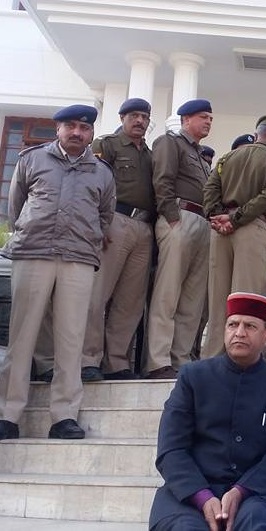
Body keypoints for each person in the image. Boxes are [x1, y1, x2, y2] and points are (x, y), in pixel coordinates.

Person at [0, 104, 116, 441]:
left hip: (78, 259)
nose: (77, 132)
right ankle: (8, 413)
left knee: (71, 339)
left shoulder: (102, 172)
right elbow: (16, 206)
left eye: (83, 127)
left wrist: (87, 239)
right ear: (58, 129)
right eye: (70, 126)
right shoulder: (31, 159)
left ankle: (64, 416)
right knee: (22, 337)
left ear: (91, 133)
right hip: (33, 253)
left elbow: (105, 216)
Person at [149, 292, 266, 531]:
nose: (239, 332)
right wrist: (201, 496)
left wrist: (241, 491)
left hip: (254, 493)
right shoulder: (193, 377)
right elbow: (171, 448)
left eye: (250, 326)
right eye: (233, 324)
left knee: (255, 524)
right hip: (190, 492)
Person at [80, 97, 155, 381]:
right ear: (123, 117)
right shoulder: (107, 144)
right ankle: (88, 359)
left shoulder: (149, 154)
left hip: (143, 226)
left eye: (145, 117)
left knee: (130, 301)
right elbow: (92, 185)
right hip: (115, 220)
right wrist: (98, 226)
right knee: (98, 295)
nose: (140, 121)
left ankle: (117, 363)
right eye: (134, 116)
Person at [202, 115, 266, 358]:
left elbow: (210, 188)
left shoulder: (228, 156)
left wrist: (217, 215)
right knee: (245, 297)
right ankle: (240, 356)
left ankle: (213, 356)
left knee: (218, 297)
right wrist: (237, 219)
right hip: (251, 229)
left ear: (257, 132)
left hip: (220, 230)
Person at [146, 98, 213, 379]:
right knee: (168, 292)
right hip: (180, 217)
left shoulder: (200, 154)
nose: (208, 122)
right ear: (186, 119)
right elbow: (163, 179)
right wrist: (171, 215)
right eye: (203, 117)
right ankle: (158, 360)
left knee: (192, 298)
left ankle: (180, 359)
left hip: (202, 222)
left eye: (210, 118)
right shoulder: (169, 142)